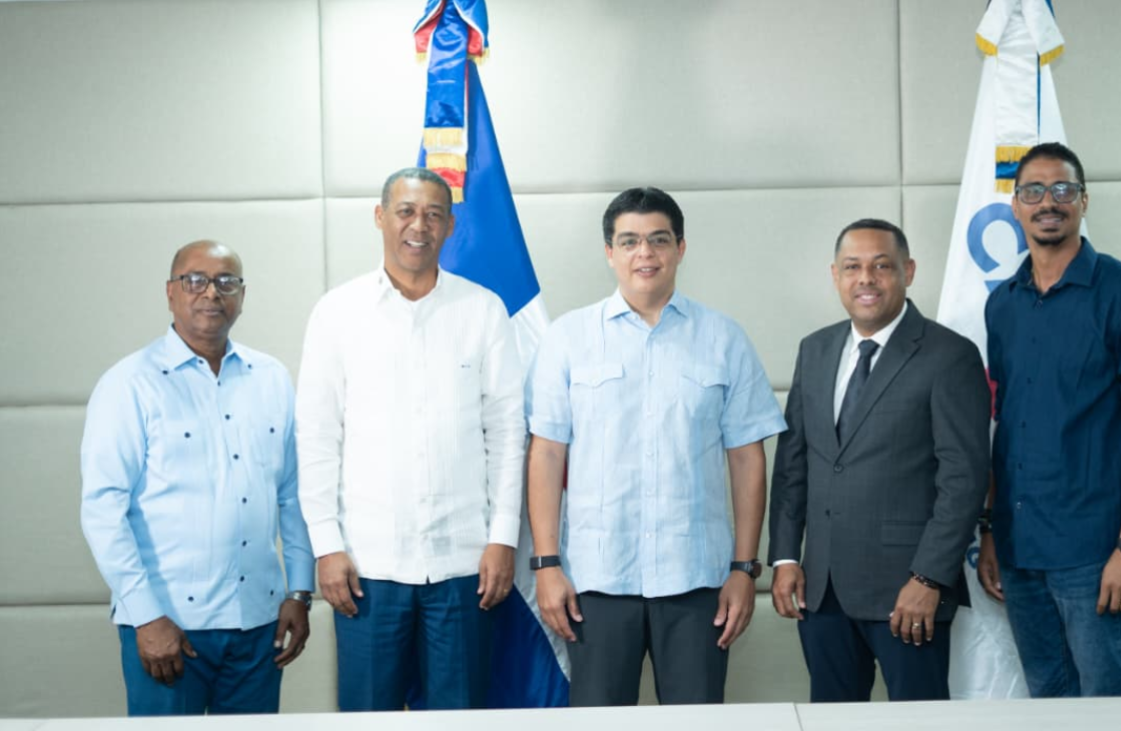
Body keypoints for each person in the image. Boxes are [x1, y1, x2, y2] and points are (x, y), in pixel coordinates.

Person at [525, 186, 786, 706]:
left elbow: (747, 459)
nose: (644, 253)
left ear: (680, 248)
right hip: (595, 580)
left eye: (659, 239)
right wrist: (547, 565)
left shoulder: (724, 338)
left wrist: (744, 569)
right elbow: (547, 454)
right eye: (629, 241)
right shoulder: (568, 339)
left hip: (697, 581)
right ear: (610, 252)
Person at [295, 167, 524, 711]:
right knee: (368, 716)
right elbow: (318, 437)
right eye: (405, 212)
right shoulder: (337, 313)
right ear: (380, 217)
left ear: (450, 226)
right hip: (367, 567)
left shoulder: (483, 310)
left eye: (433, 214)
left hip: (464, 564)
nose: (418, 226)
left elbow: (507, 433)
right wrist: (326, 546)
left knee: (460, 717)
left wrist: (503, 538)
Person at [978, 142, 1121, 697]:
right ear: (1015, 206)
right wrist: (991, 528)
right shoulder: (1003, 305)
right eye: (1033, 191)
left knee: (1111, 708)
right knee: (1049, 704)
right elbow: (1004, 421)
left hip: (1095, 551)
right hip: (1019, 548)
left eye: (1062, 189)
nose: (1049, 202)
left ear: (1084, 201)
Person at [81, 240, 314, 716]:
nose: (211, 293)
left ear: (242, 296)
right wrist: (146, 615)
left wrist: (299, 591)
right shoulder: (129, 384)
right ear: (170, 292)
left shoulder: (270, 378)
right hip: (169, 624)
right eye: (195, 280)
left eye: (226, 282)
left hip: (258, 622)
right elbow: (103, 510)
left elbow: (292, 495)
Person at [767, 219, 990, 702]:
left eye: (882, 266)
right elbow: (793, 465)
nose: (866, 278)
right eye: (852, 267)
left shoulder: (949, 355)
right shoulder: (815, 349)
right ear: (835, 275)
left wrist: (929, 576)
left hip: (908, 592)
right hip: (821, 593)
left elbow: (964, 480)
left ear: (908, 271)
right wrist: (785, 556)